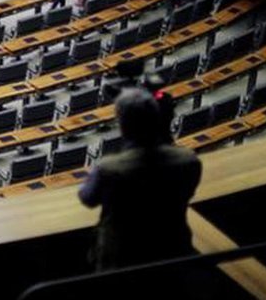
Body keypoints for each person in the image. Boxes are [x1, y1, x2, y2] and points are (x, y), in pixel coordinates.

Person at [79, 88, 202, 269]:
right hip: (173, 249)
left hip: (122, 257)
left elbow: (87, 198)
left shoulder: (109, 169)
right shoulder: (189, 160)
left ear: (122, 124)